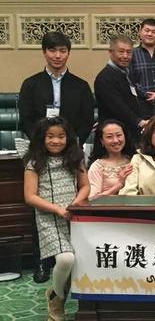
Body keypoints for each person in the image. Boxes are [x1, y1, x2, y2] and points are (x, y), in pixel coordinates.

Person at [23, 117, 89, 320]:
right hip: (47, 217)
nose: (56, 141)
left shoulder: (76, 158)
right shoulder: (33, 162)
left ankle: (55, 293)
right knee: (65, 258)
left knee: (75, 260)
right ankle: (57, 299)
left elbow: (85, 186)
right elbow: (30, 196)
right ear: (42, 138)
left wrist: (76, 203)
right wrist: (57, 209)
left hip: (73, 215)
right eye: (50, 136)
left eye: (61, 136)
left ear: (68, 138)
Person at [19, 31, 94, 145]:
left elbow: (87, 122)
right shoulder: (30, 84)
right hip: (39, 147)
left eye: (62, 51)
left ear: (68, 53)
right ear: (44, 52)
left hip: (72, 148)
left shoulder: (81, 86)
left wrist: (71, 143)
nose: (57, 56)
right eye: (52, 50)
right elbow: (26, 120)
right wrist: (40, 141)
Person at [94, 34, 150, 139]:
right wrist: (140, 122)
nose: (125, 56)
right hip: (113, 135)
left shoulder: (127, 73)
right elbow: (118, 107)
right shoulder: (105, 78)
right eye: (121, 52)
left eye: (129, 52)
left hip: (130, 132)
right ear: (110, 52)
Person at [88, 120, 135, 200]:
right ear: (102, 141)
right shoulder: (98, 166)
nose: (116, 140)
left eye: (119, 135)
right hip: (108, 211)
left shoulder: (134, 160)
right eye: (109, 137)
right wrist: (119, 185)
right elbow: (92, 199)